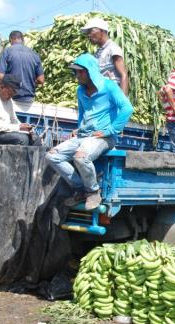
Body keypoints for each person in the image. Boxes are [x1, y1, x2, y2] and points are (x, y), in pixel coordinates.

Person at [46, 54, 133, 211]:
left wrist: (111, 130)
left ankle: (93, 192)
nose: (77, 75)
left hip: (103, 138)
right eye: (76, 72)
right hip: (84, 136)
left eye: (81, 72)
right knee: (52, 156)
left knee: (81, 156)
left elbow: (127, 108)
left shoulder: (109, 87)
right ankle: (80, 189)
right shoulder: (80, 90)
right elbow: (82, 113)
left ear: (91, 71)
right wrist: (80, 128)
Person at [81, 17, 128, 96]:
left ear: (101, 31)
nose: (88, 35)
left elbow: (124, 75)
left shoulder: (112, 48)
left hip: (112, 95)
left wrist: (122, 101)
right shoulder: (97, 53)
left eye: (91, 31)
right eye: (87, 33)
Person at [0, 30, 45, 103]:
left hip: (11, 96)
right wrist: (29, 82)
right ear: (23, 40)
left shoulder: (7, 51)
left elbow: (0, 75)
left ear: (10, 40)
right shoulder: (34, 54)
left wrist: (13, 83)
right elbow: (41, 80)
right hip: (28, 98)